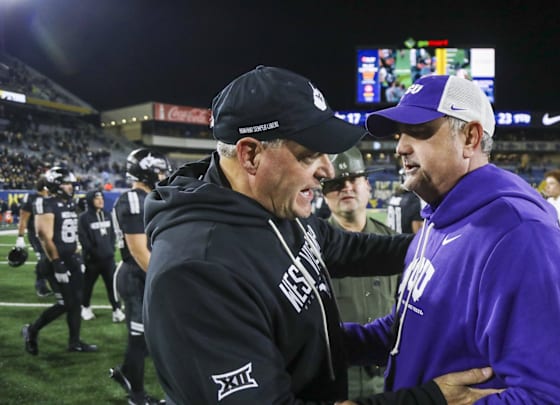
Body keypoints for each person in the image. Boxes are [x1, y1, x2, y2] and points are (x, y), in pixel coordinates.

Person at [142, 66, 499, 404]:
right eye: (310, 155)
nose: (327, 171)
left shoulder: (269, 207)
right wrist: (430, 399)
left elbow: (348, 249)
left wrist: (448, 247)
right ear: (250, 155)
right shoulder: (196, 271)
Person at [351, 74, 560, 403]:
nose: (400, 147)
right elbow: (412, 329)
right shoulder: (440, 219)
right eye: (400, 134)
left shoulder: (523, 236)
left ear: (470, 138)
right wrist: (316, 342)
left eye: (419, 131)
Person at [321, 146, 398, 397]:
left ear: (368, 186)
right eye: (336, 183)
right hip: (336, 383)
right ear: (323, 193)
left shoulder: (393, 244)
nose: (346, 187)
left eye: (353, 179)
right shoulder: (309, 248)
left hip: (387, 382)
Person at [109, 148, 170, 405]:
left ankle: (124, 373)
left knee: (148, 337)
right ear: (144, 171)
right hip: (136, 275)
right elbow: (137, 250)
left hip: (146, 271)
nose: (163, 174)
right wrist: (165, 281)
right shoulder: (133, 198)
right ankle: (136, 397)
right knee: (139, 339)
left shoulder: (150, 197)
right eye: (158, 170)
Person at [21, 167, 98, 355]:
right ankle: (31, 330)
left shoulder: (70, 204)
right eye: (66, 183)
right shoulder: (45, 203)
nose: (71, 187)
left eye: (71, 183)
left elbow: (69, 232)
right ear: (55, 184)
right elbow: (44, 236)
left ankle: (75, 342)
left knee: (76, 301)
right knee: (65, 302)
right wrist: (57, 262)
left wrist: (77, 250)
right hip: (56, 261)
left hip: (72, 258)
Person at [77, 190, 124, 322]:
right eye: (97, 198)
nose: (100, 200)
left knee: (113, 286)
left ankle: (117, 310)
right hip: (91, 260)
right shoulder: (84, 218)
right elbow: (83, 238)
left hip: (108, 259)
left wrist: (110, 249)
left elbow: (112, 235)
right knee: (88, 286)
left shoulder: (107, 214)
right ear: (91, 200)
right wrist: (94, 252)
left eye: (101, 198)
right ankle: (85, 307)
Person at [17, 178, 53, 297]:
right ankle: (41, 286)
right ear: (45, 188)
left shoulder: (50, 198)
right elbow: (23, 218)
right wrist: (20, 237)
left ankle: (51, 283)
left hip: (51, 233)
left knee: (51, 259)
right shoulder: (31, 199)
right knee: (44, 259)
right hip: (37, 234)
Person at [386, 170, 423, 234]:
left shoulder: (393, 197)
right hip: (406, 242)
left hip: (391, 240)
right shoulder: (413, 200)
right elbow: (418, 233)